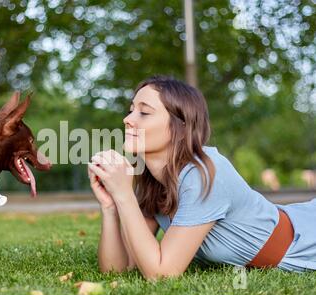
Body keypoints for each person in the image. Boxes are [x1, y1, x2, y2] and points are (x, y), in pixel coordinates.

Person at [87, 75, 316, 281]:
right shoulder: (152, 180)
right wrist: (110, 207)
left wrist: (125, 195)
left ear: (181, 126)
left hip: (306, 241)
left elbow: (161, 274)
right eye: (131, 110)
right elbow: (118, 270)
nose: (128, 119)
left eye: (144, 112)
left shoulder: (204, 172)